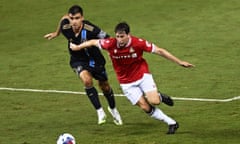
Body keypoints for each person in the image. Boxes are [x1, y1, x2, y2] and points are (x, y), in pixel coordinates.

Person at [69, 22, 194, 134]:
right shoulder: (111, 43)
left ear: (128, 35)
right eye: (117, 36)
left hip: (142, 75)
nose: (119, 39)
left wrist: (179, 62)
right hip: (126, 82)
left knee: (155, 101)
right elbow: (93, 42)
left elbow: (160, 51)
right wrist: (77, 47)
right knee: (145, 107)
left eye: (122, 36)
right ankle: (172, 123)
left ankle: (159, 96)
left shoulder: (138, 43)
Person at [44, 5, 123, 125]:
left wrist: (111, 53)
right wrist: (56, 33)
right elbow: (63, 18)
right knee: (87, 80)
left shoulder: (91, 29)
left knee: (105, 86)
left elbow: (109, 39)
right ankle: (100, 111)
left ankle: (112, 109)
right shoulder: (66, 26)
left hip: (95, 60)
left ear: (82, 18)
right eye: (72, 18)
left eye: (77, 18)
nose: (74, 21)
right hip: (78, 60)